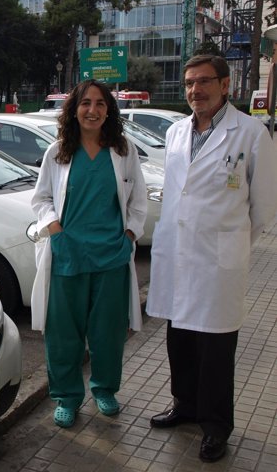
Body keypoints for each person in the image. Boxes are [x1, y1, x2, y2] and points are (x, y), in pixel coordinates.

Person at [146, 54, 277, 463]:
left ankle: (217, 425)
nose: (194, 91)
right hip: (177, 255)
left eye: (203, 81)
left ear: (225, 85)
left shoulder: (251, 133)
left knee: (216, 349)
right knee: (179, 339)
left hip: (218, 260)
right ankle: (184, 405)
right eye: (189, 83)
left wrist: (232, 241)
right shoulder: (176, 132)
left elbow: (264, 206)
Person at [31, 79, 147, 428]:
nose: (92, 110)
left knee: (107, 332)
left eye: (99, 103)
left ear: (109, 109)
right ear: (74, 109)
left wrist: (128, 235)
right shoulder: (58, 152)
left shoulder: (123, 151)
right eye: (85, 103)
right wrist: (56, 230)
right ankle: (67, 397)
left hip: (111, 256)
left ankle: (105, 390)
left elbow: (138, 202)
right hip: (68, 255)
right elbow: (41, 199)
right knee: (63, 334)